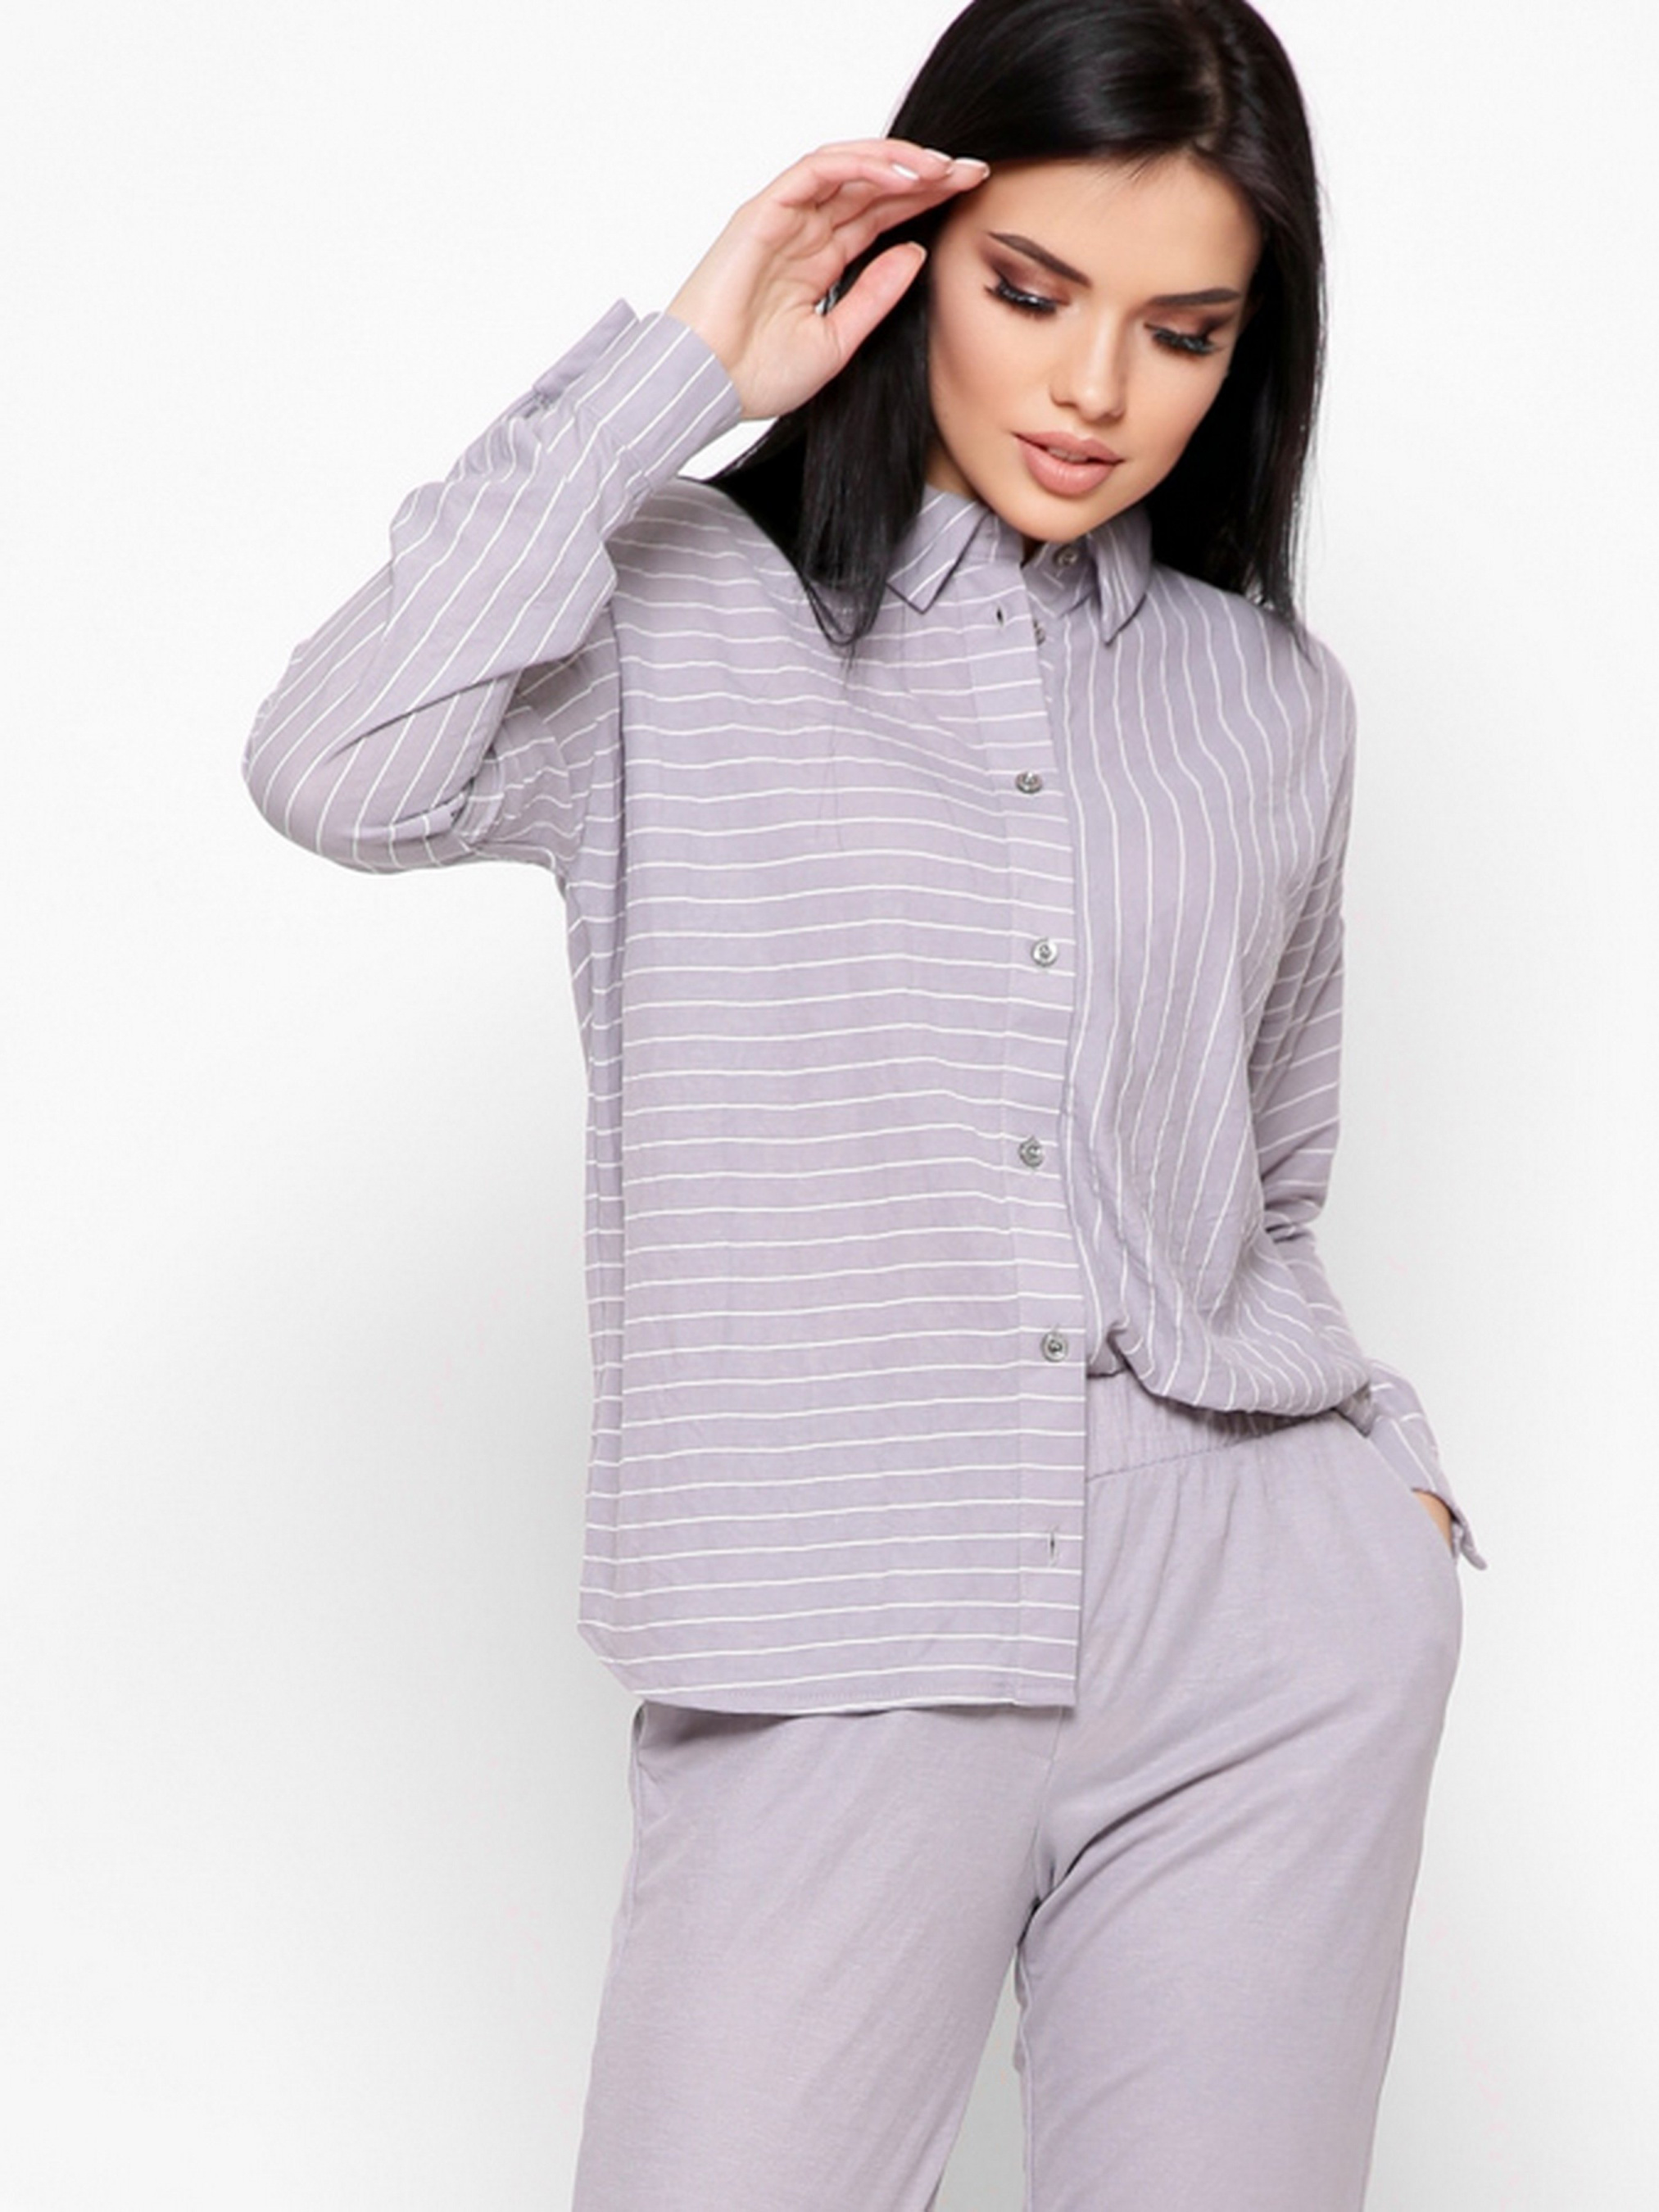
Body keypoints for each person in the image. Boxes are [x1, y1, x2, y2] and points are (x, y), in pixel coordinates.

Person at [242, 0, 1488, 2201]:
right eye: (1032, 292)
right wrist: (681, 368)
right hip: (838, 1602)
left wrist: (1374, 1503)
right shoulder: (667, 613)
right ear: (911, 260)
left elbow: (1268, 1185)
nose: (1097, 391)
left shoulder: (1269, 699)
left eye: (1183, 332)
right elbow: (334, 766)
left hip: (1258, 1628)